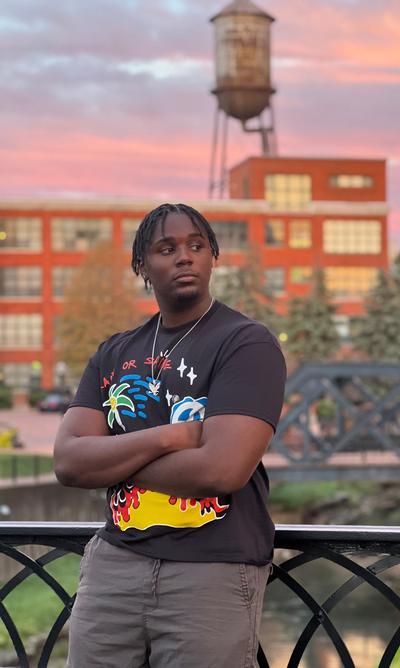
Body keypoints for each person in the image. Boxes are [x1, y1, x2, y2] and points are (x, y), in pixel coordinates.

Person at [54, 202, 286, 668]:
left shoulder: (246, 343)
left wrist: (112, 459)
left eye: (197, 246)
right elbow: (69, 463)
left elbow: (221, 470)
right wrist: (167, 438)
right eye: (167, 248)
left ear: (213, 258)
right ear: (143, 265)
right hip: (114, 565)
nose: (185, 257)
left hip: (212, 572)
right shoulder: (114, 351)